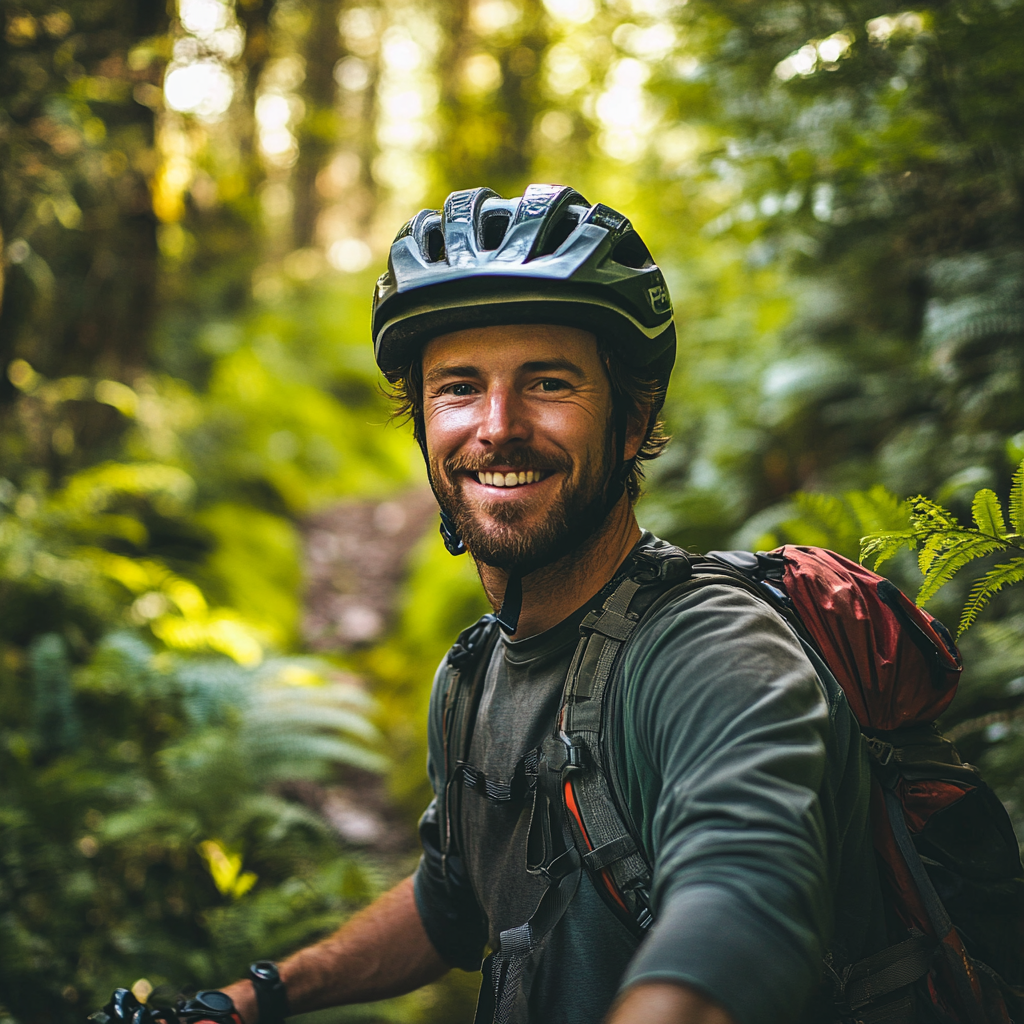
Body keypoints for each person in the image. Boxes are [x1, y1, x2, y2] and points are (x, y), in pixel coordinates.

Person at [94, 185, 887, 1024]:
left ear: (632, 419)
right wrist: (253, 999)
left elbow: (744, 896)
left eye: (548, 383)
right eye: (459, 388)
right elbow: (450, 900)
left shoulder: (712, 652)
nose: (498, 426)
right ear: (422, 422)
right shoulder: (474, 673)